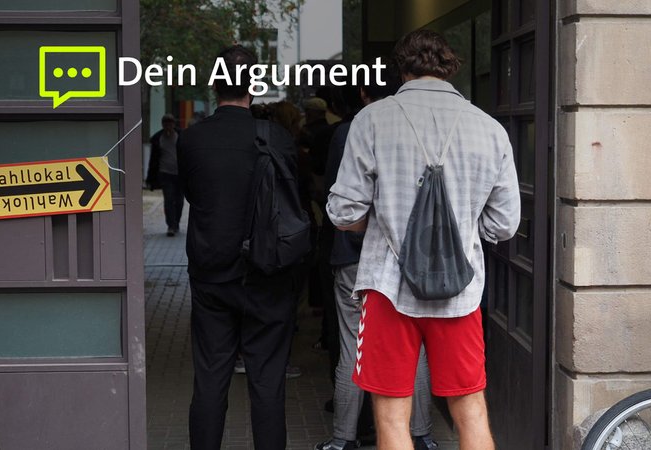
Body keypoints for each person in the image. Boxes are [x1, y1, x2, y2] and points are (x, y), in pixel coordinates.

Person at [327, 29, 521, 450]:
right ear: (449, 67)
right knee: (470, 410)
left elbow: (344, 212)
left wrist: (378, 222)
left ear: (402, 69)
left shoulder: (372, 119)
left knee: (392, 416)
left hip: (387, 288)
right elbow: (504, 225)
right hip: (461, 293)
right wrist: (465, 231)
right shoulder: (488, 128)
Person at [177, 45, 301, 450]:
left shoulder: (192, 140)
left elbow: (193, 196)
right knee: (268, 381)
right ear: (254, 86)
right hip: (269, 275)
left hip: (213, 273)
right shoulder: (278, 138)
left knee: (210, 378)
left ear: (215, 86)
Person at [315, 69, 439, 450]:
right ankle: (422, 435)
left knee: (354, 346)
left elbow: (337, 198)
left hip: (354, 256)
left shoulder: (351, 131)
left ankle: (343, 440)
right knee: (414, 347)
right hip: (410, 257)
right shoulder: (420, 129)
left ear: (365, 93)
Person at [146, 113, 183, 236]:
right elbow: (153, 160)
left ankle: (176, 222)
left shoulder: (181, 136)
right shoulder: (158, 138)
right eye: (166, 123)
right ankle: (171, 226)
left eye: (170, 123)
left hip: (180, 174)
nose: (168, 126)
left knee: (179, 200)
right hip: (165, 173)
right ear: (163, 124)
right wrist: (150, 177)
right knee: (168, 199)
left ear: (174, 124)